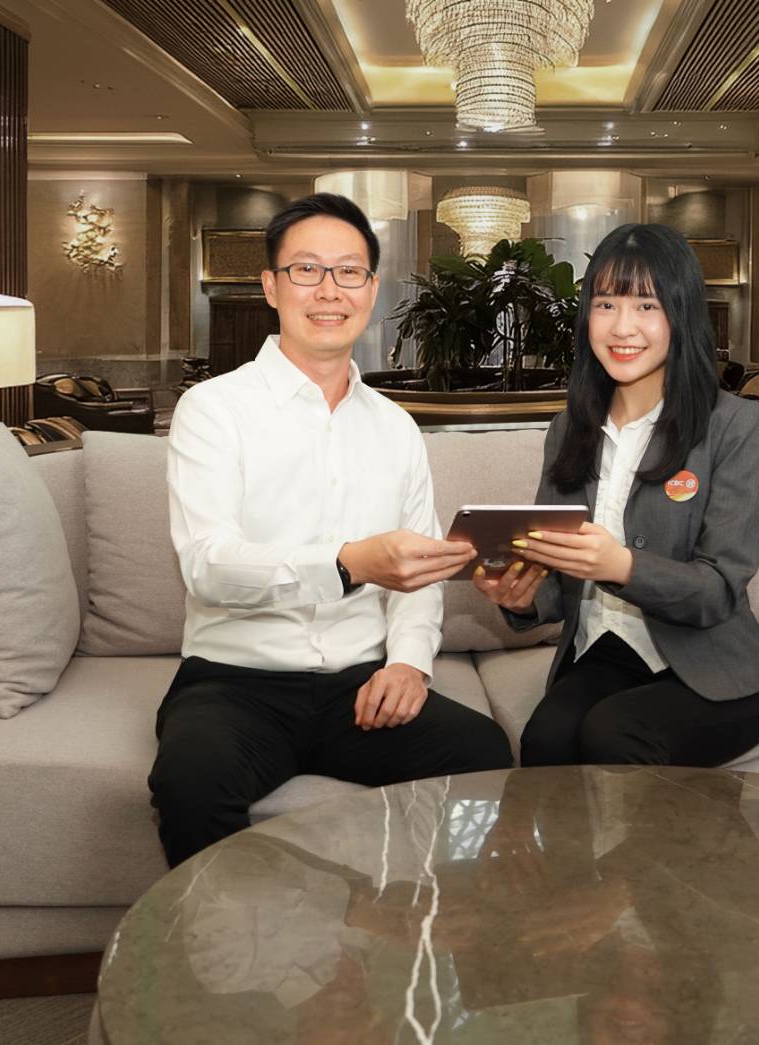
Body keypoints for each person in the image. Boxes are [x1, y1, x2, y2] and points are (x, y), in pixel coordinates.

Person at [150, 193, 512, 867]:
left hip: (359, 684)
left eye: (348, 272)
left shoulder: (395, 426)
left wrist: (407, 663)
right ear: (271, 286)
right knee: (190, 781)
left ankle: (429, 917)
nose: (328, 290)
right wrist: (348, 563)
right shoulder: (213, 409)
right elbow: (208, 564)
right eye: (306, 270)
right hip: (235, 680)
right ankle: (224, 935)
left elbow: (420, 572)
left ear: (370, 289)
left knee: (483, 752)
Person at [474, 223, 759, 768]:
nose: (622, 326)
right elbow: (554, 574)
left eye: (646, 305)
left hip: (713, 668)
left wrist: (620, 566)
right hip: (607, 654)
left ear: (681, 314)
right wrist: (522, 597)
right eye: (606, 304)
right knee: (545, 740)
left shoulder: (735, 425)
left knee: (614, 735)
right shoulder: (569, 428)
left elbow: (717, 590)